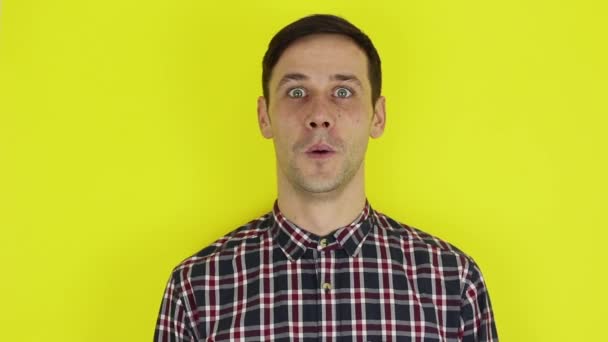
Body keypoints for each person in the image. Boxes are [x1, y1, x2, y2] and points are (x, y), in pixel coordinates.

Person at [153, 14, 498, 342]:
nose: (319, 115)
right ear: (264, 117)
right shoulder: (196, 290)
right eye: (297, 92)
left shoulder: (453, 283)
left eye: (343, 92)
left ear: (377, 117)